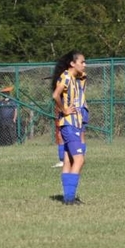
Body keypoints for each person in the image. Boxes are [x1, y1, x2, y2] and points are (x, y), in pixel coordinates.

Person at [51, 50, 87, 205]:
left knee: (68, 160)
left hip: (74, 124)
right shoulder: (66, 76)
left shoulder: (75, 77)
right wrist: (64, 109)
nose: (85, 65)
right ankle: (70, 197)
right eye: (82, 62)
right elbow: (55, 95)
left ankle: (68, 198)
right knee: (79, 160)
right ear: (72, 63)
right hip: (69, 124)